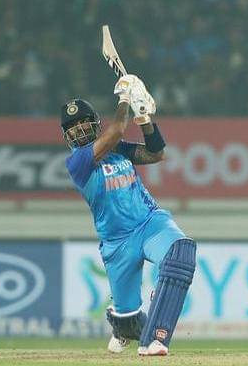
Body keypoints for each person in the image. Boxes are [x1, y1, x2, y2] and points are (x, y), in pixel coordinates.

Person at [61, 75, 196, 356]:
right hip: (117, 242)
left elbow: (156, 153)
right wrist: (125, 99)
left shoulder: (118, 150)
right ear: (67, 135)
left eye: (83, 121)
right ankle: (122, 326)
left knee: (181, 252)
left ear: (94, 122)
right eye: (72, 126)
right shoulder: (78, 162)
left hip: (149, 222)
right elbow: (117, 130)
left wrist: (144, 119)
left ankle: (156, 340)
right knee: (128, 320)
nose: (79, 128)